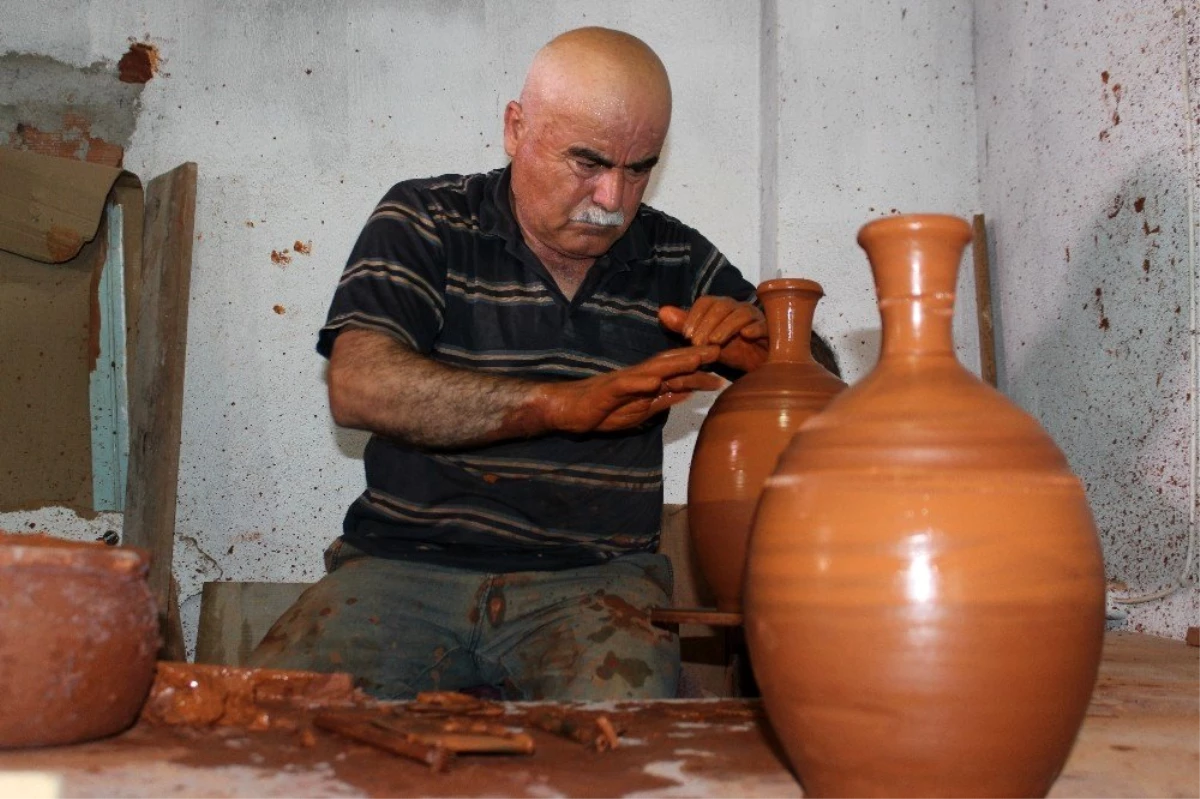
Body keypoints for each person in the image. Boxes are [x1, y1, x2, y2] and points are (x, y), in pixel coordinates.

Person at [250, 26, 829, 701]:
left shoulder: (673, 257)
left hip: (595, 583)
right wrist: (558, 405)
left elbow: (821, 388)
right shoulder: (426, 220)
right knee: (263, 726)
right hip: (402, 567)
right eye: (588, 162)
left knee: (627, 748)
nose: (613, 198)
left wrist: (766, 346)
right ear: (516, 129)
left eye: (639, 167)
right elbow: (358, 385)